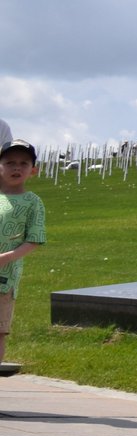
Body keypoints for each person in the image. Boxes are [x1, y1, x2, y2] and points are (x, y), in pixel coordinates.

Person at [0, 138, 47, 377]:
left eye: (23, 163)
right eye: (10, 163)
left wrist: (7, 257)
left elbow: (35, 239)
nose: (16, 168)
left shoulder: (32, 202)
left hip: (4, 279)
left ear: (33, 170)